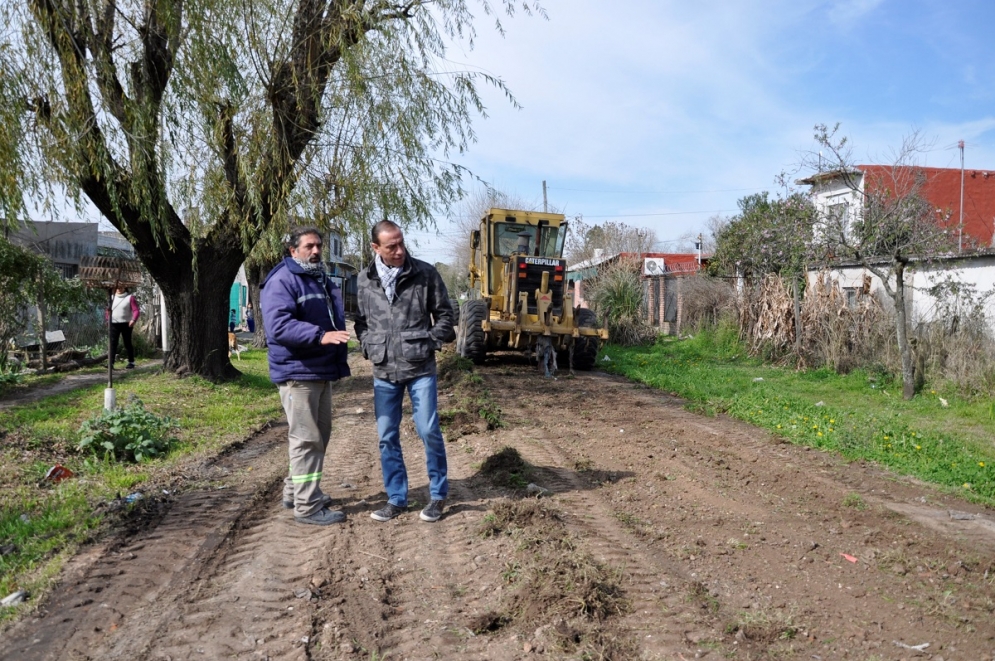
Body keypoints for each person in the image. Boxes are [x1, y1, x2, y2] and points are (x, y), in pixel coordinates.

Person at [354, 220, 456, 523]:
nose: (399, 250)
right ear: (376, 248)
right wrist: (367, 345)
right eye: (391, 246)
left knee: (428, 430)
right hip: (384, 369)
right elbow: (360, 321)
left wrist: (430, 342)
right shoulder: (364, 280)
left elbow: (446, 315)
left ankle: (437, 495)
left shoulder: (425, 273)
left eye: (401, 243)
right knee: (387, 436)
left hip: (420, 367)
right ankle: (396, 498)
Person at [260, 228, 351, 526]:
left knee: (318, 436)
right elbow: (278, 325)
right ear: (293, 250)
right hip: (298, 372)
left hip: (318, 370)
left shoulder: (317, 277)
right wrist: (320, 336)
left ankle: (295, 491)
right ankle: (307, 506)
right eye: (309, 246)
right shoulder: (283, 280)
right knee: (306, 439)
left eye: (319, 245)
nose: (316, 251)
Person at [107, 286, 140, 369]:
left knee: (127, 343)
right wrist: (107, 320)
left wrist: (133, 320)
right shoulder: (111, 298)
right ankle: (111, 363)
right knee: (113, 343)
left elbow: (136, 310)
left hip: (127, 324)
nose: (119, 289)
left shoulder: (130, 298)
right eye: (117, 288)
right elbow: (108, 311)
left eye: (121, 287)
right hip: (114, 324)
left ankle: (131, 362)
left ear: (125, 288)